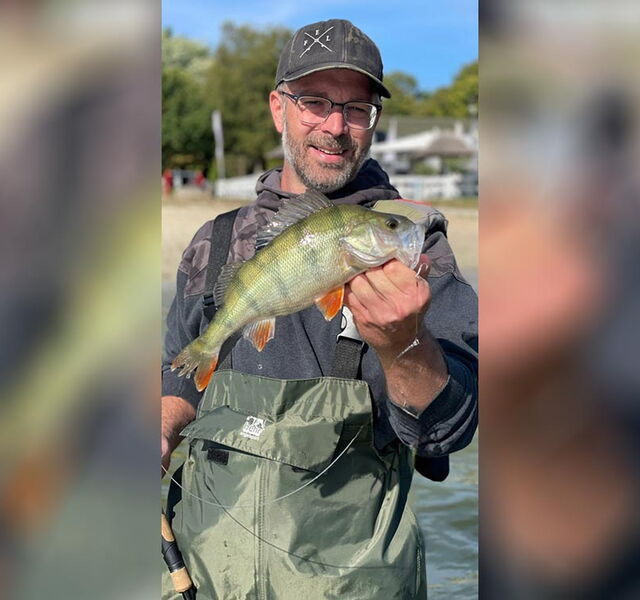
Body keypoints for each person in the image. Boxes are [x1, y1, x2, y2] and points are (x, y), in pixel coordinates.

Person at [162, 19, 477, 599]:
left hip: (352, 583)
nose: (335, 126)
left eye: (357, 108)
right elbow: (176, 374)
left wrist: (404, 345)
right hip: (207, 572)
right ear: (278, 108)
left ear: (373, 122)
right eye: (314, 102)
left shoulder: (417, 247)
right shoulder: (215, 241)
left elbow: (450, 430)